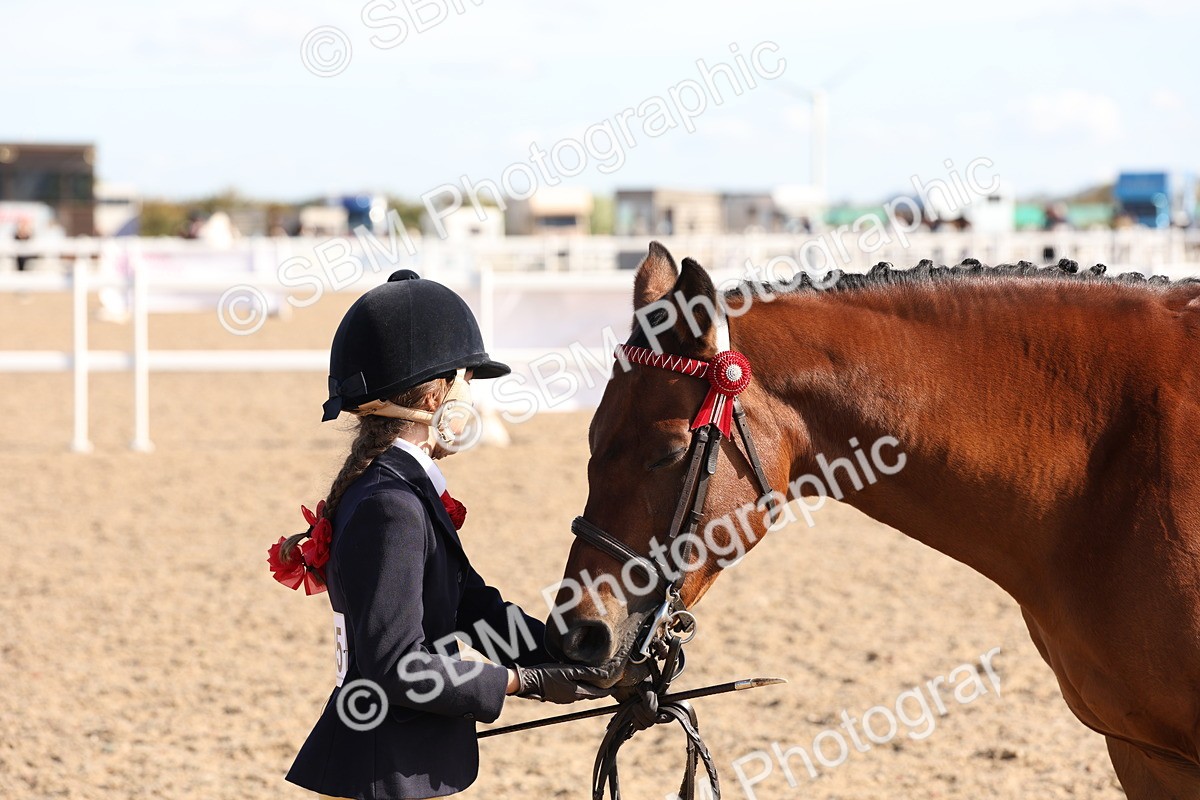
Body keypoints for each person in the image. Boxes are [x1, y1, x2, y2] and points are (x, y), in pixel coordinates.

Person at [271, 269, 610, 800]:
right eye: (467, 382)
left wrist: (566, 652)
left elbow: (471, 605)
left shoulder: (398, 488)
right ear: (435, 395)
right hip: (386, 769)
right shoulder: (392, 506)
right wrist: (520, 684)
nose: (472, 397)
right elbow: (397, 665)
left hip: (399, 760)